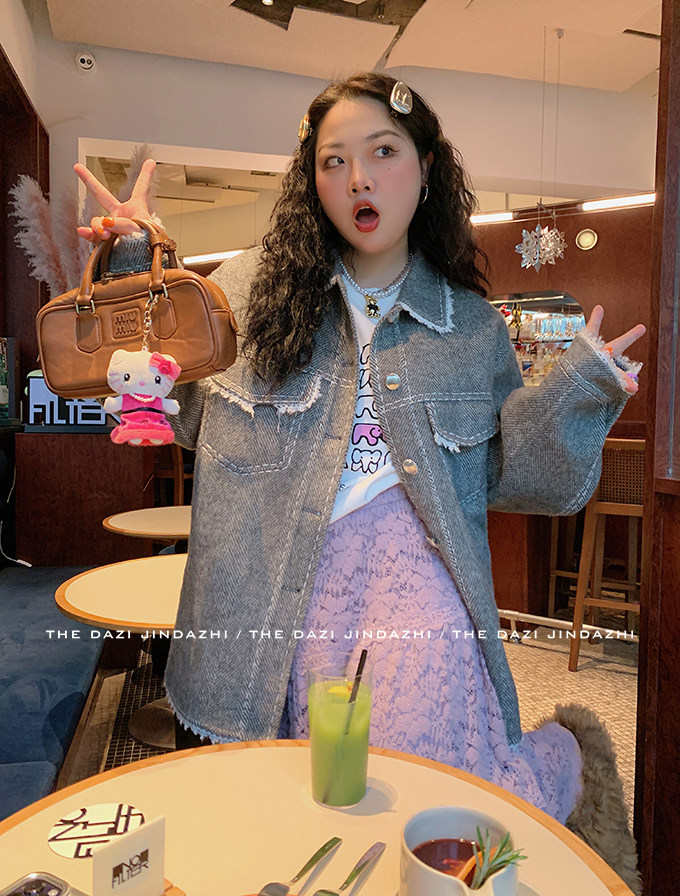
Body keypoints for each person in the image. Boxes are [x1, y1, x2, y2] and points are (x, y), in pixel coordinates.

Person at [74, 73, 644, 888]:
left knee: (421, 773)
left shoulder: (470, 326)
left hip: (420, 578)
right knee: (288, 796)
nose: (358, 179)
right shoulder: (247, 290)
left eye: (382, 152)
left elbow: (512, 476)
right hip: (276, 574)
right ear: (312, 181)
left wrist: (580, 389)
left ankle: (560, 770)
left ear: (425, 167)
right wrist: (138, 262)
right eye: (333, 161)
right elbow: (174, 402)